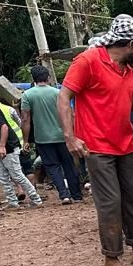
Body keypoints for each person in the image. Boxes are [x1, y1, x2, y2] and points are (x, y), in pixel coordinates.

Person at [58, 14, 133, 266]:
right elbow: (64, 97)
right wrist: (70, 136)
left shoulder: (127, 71)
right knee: (110, 202)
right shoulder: (88, 61)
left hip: (126, 143)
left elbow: (131, 105)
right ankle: (112, 256)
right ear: (130, 44)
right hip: (97, 146)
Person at [21, 66, 82, 204]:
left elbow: (25, 119)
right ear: (48, 77)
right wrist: (73, 133)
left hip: (42, 139)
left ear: (33, 79)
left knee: (53, 167)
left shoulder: (27, 95)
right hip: (63, 136)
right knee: (69, 165)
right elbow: (70, 113)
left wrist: (26, 140)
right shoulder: (58, 93)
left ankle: (64, 195)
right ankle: (76, 195)